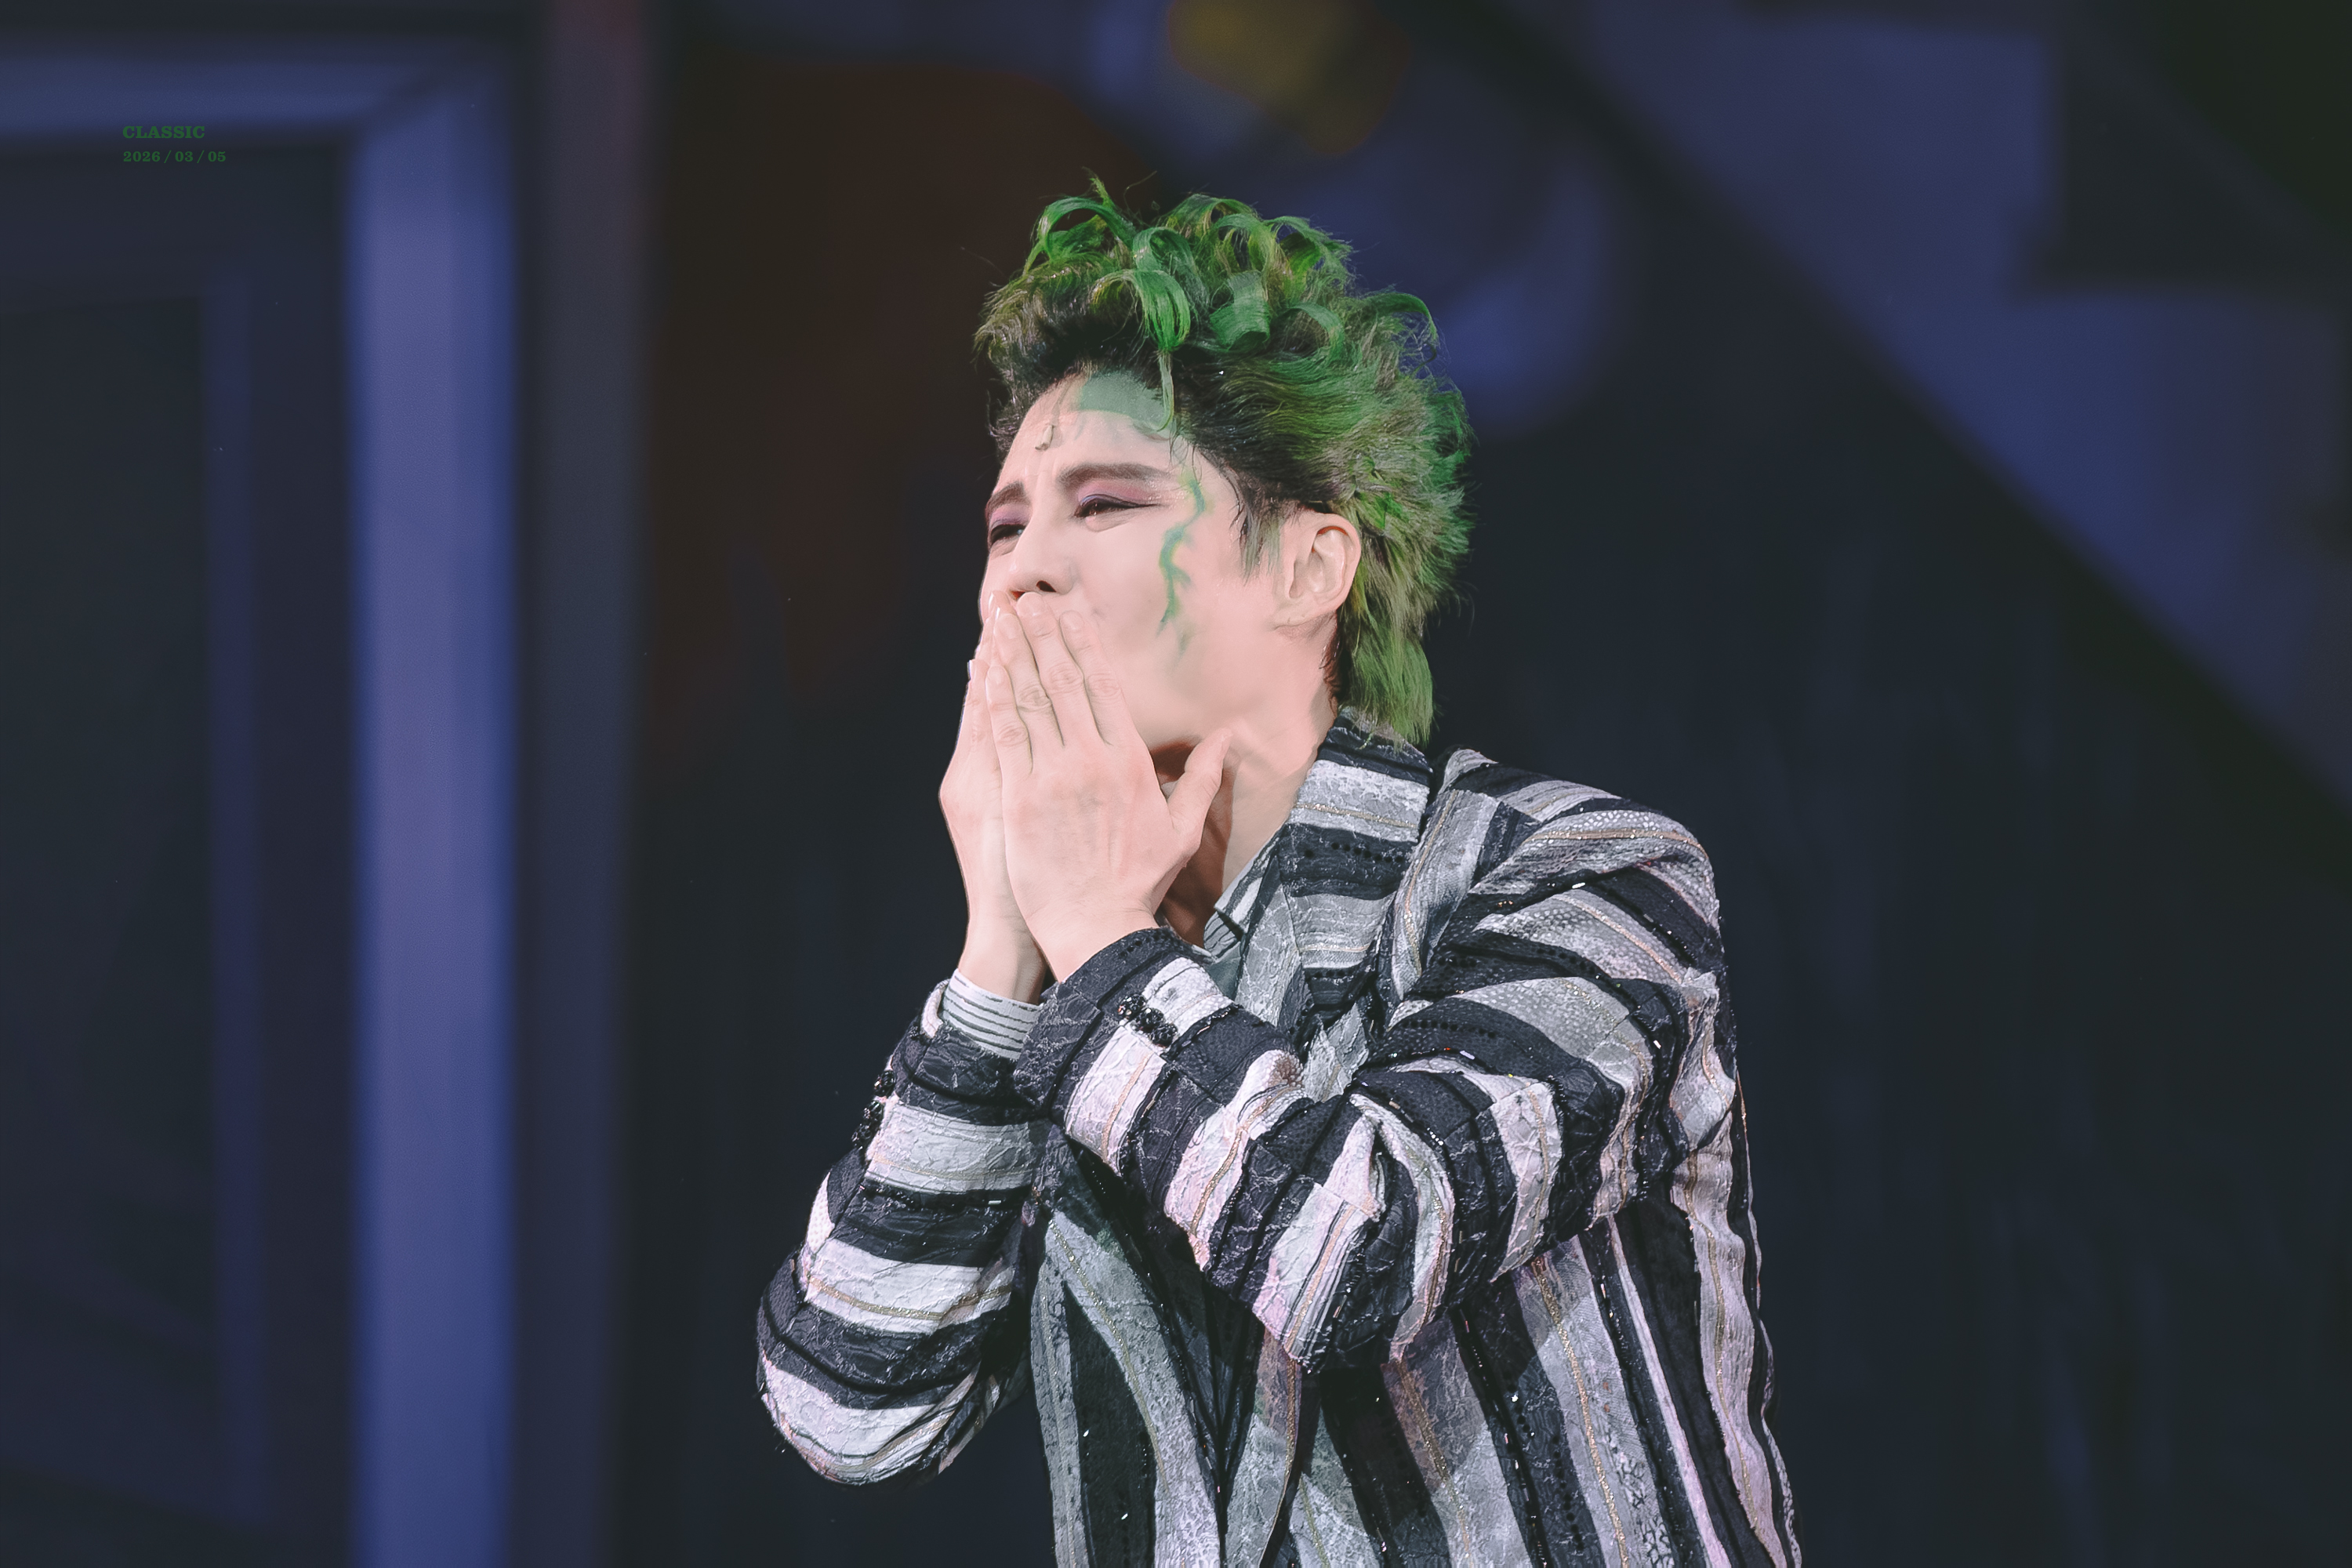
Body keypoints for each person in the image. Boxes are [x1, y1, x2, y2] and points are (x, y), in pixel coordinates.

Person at [757, 187, 1802, 1566]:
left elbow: (1360, 1253)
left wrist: (1095, 938)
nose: (1021, 578)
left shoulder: (1578, 874)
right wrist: (1001, 956)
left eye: (1103, 504)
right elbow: (848, 1412)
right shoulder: (1076, 989)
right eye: (1004, 529)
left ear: (1309, 567)